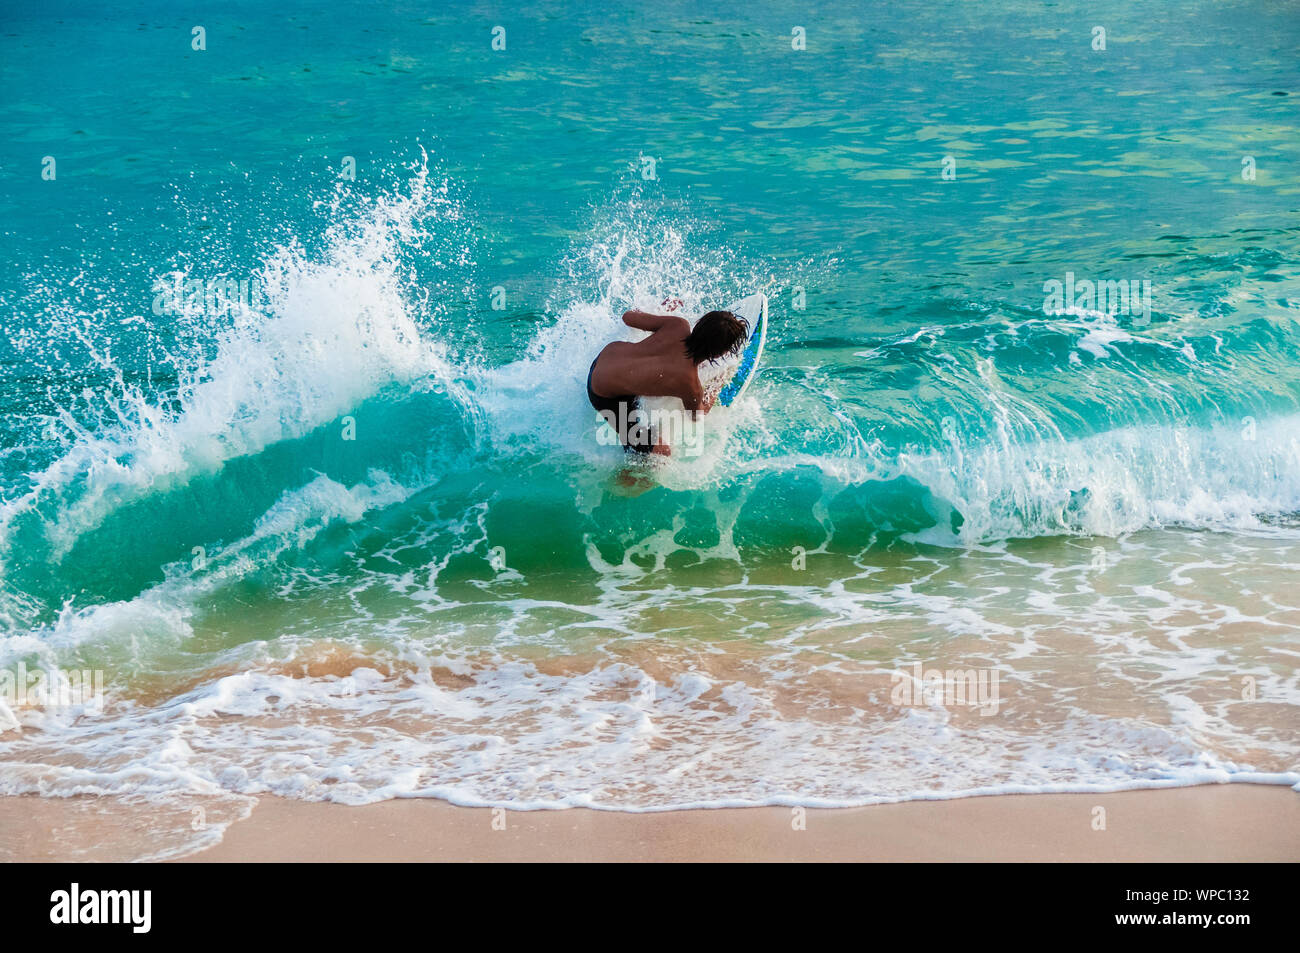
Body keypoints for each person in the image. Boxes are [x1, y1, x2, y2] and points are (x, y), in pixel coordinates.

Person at [587, 306, 749, 455]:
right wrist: (719, 381)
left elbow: (628, 317)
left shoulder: (677, 324)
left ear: (699, 324)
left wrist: (660, 310)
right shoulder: (689, 384)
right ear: (719, 353)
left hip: (604, 358)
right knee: (662, 452)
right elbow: (698, 415)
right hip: (604, 396)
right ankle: (623, 484)